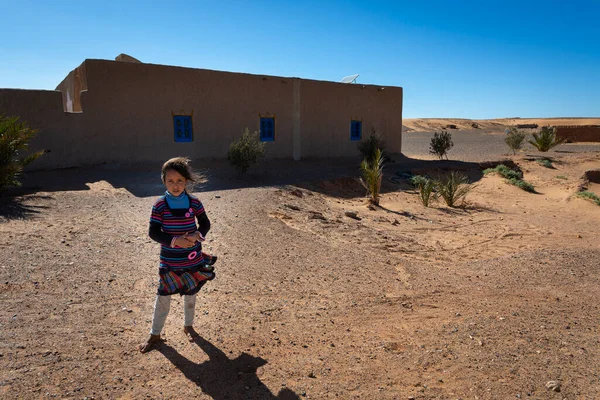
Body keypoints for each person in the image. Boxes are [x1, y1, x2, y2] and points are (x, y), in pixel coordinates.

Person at [139, 157, 216, 353]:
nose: (176, 185)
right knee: (163, 297)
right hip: (169, 261)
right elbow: (154, 232)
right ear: (164, 181)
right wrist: (174, 241)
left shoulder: (194, 203)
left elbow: (205, 224)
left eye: (180, 180)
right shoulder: (160, 206)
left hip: (193, 259)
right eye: (171, 181)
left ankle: (188, 326)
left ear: (186, 181)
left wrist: (197, 235)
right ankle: (155, 334)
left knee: (191, 294)